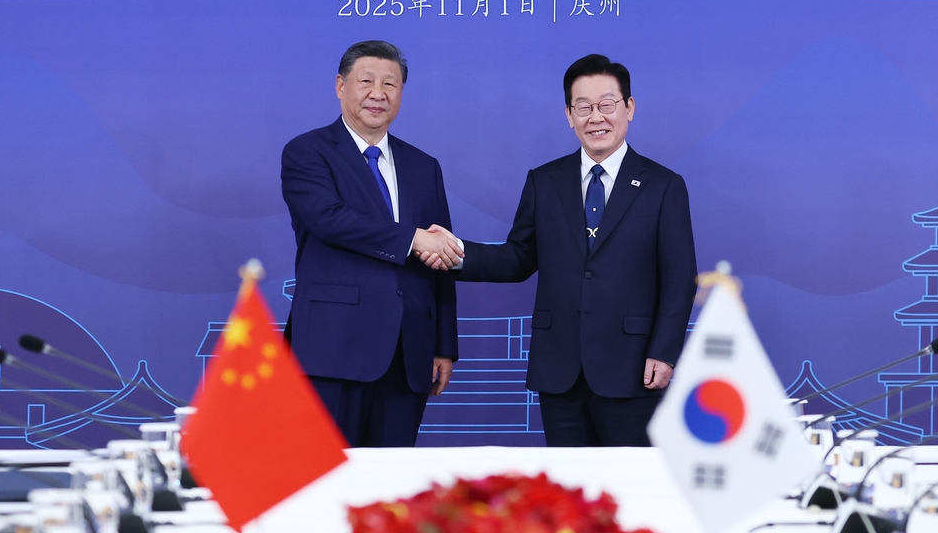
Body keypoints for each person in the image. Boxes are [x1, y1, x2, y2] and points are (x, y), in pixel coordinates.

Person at [421, 54, 697, 446]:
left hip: (633, 368)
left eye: (607, 104)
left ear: (629, 108)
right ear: (569, 114)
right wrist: (456, 251)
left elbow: (679, 278)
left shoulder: (663, 185)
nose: (595, 117)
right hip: (560, 369)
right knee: (571, 489)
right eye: (583, 107)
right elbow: (518, 257)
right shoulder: (545, 181)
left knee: (631, 491)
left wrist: (665, 352)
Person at [280, 40, 464, 447]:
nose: (378, 93)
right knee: (326, 481)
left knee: (392, 487)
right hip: (333, 349)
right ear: (340, 85)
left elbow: (441, 255)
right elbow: (330, 221)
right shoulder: (307, 152)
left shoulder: (423, 165)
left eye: (390, 84)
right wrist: (412, 238)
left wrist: (443, 345)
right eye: (366, 81)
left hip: (408, 354)